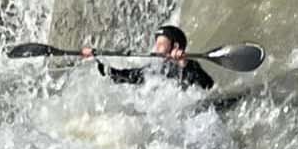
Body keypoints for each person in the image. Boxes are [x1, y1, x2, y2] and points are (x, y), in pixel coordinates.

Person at [81, 25, 215, 91]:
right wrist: (96, 57)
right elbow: (121, 76)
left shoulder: (190, 65)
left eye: (161, 44)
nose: (156, 48)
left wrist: (183, 62)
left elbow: (207, 85)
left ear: (175, 46)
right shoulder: (154, 70)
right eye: (156, 44)